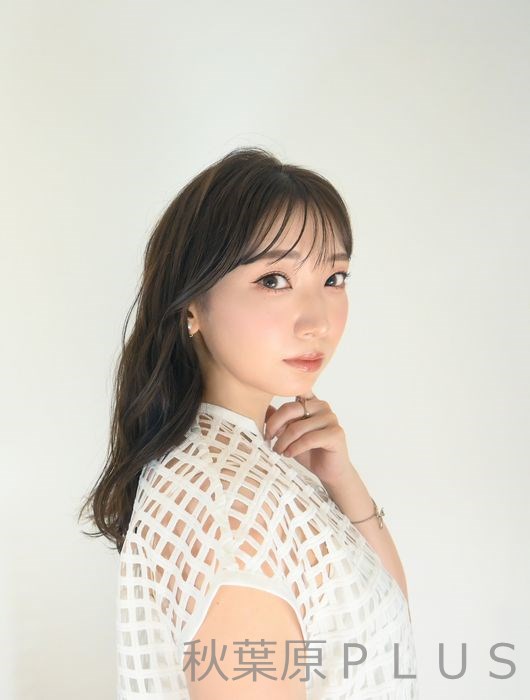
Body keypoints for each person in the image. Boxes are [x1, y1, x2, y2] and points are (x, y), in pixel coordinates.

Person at [78, 146, 418, 698]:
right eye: (274, 280)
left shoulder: (255, 457)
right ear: (192, 304)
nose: (316, 321)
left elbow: (386, 620)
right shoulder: (228, 507)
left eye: (334, 277)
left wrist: (343, 480)